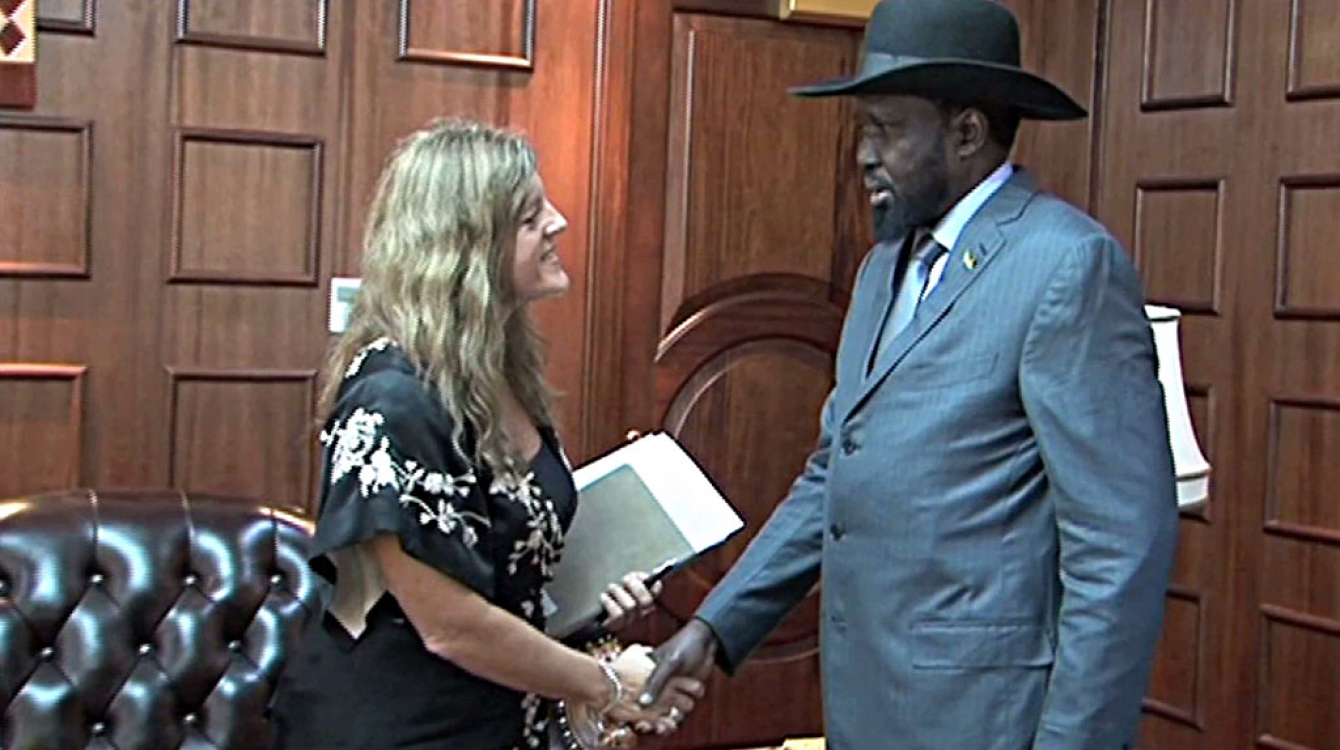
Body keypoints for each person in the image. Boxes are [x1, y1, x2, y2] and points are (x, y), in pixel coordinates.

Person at [641, 2, 1179, 749]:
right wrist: (714, 626)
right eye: (864, 129)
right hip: (868, 709)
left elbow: (1120, 548)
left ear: (966, 133)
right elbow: (835, 473)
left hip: (986, 723)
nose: (864, 155)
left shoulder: (1066, 266)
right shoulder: (881, 270)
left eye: (886, 129)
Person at [269, 119, 700, 750]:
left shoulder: (496, 372)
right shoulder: (393, 400)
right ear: (467, 247)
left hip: (493, 719)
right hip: (400, 730)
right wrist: (606, 683)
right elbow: (450, 625)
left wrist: (587, 600)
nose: (558, 222)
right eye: (530, 217)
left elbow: (497, 565)